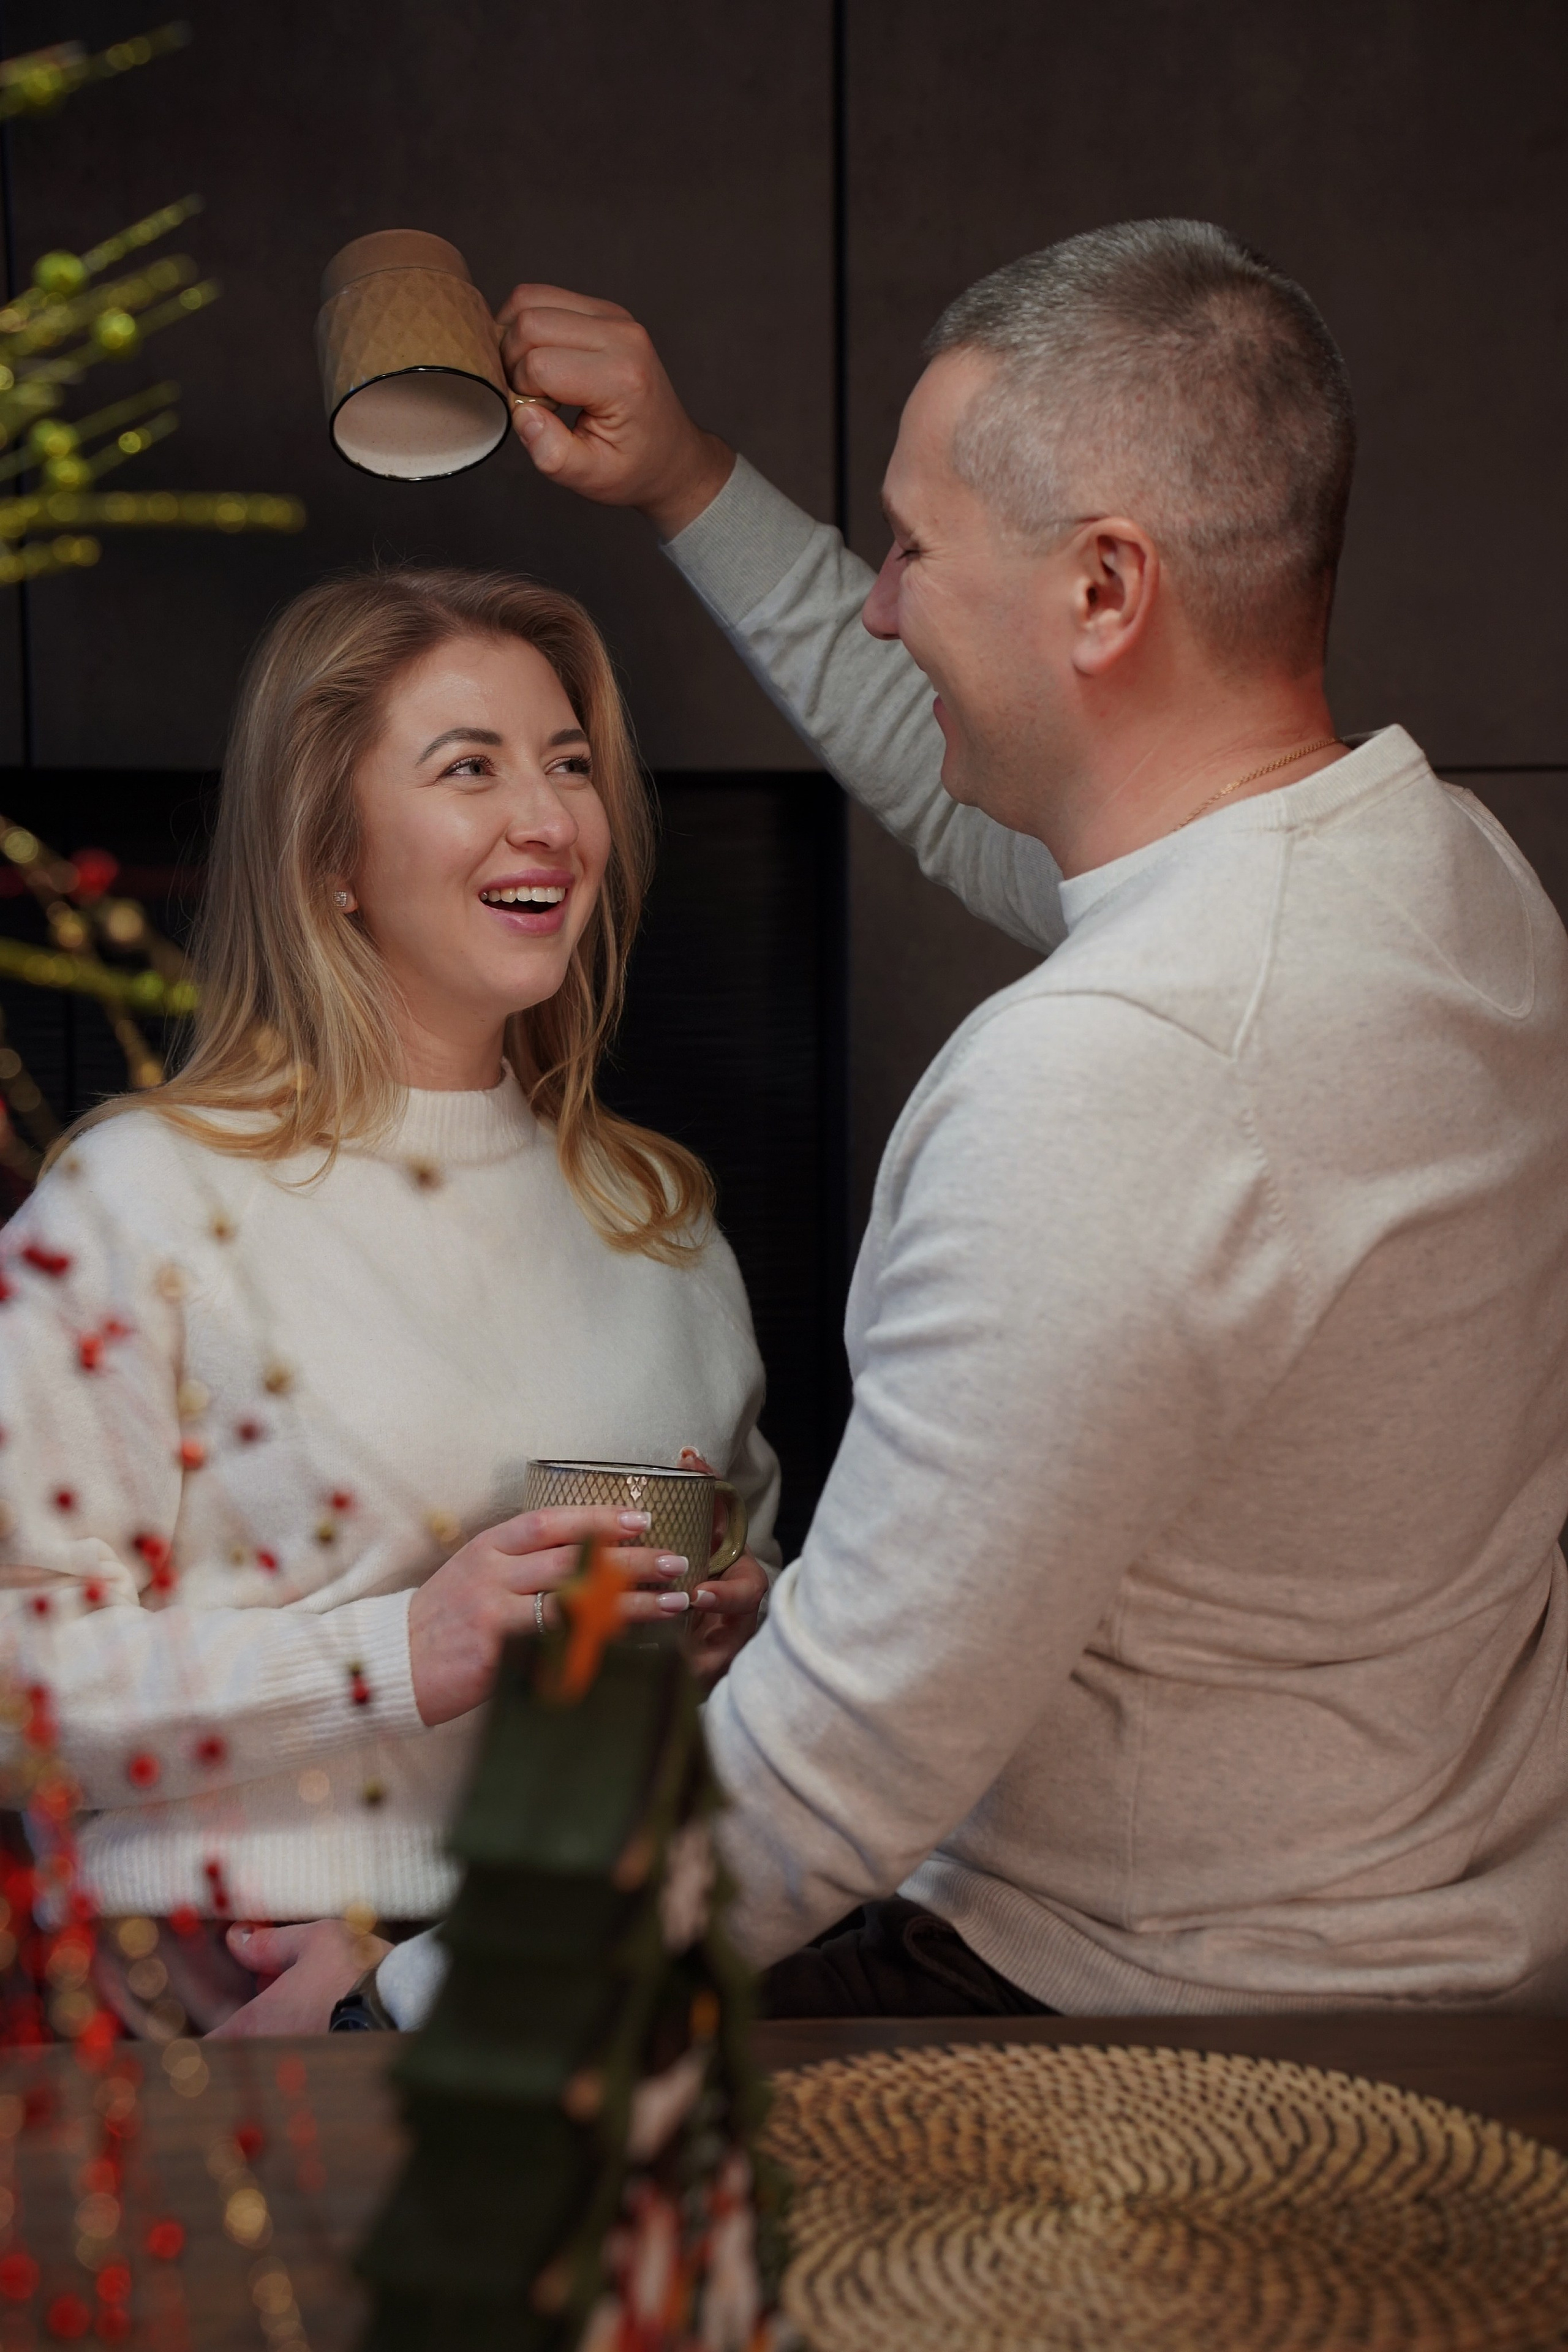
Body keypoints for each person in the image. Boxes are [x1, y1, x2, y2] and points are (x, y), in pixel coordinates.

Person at [251, 215, 1568, 2033]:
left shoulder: (1112, 1079)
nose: (883, 601)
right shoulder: (1445, 883)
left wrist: (382, 2016)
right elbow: (1009, 812)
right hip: (1442, 1936)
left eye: (915, 551)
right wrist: (693, 487)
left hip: (1128, 2006)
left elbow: (833, 1773)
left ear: (1105, 591)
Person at [0, 567, 777, 2036]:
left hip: (594, 1986)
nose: (546, 817)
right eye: (467, 767)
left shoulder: (659, 1222)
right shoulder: (142, 1201)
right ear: (332, 851)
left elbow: (765, 1645)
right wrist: (399, 1650)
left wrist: (741, 1620)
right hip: (247, 2015)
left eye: (566, 765)